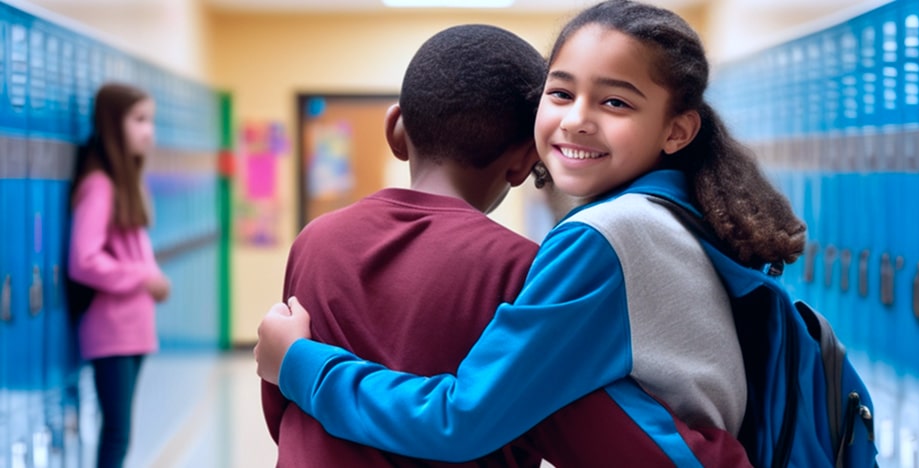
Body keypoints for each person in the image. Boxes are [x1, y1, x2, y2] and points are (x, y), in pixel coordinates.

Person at [257, 0, 804, 463]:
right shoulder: (664, 216)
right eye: (561, 93)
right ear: (524, 160)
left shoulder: (603, 238)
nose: (578, 119)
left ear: (677, 129)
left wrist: (301, 365)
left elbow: (464, 420)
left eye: (615, 101)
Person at [68, 82, 171, 468]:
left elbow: (131, 253)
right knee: (116, 434)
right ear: (113, 124)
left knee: (119, 434)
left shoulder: (126, 183)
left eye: (151, 121)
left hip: (132, 329)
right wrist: (144, 278)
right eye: (139, 120)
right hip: (110, 330)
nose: (149, 131)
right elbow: (84, 259)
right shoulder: (100, 186)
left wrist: (149, 276)